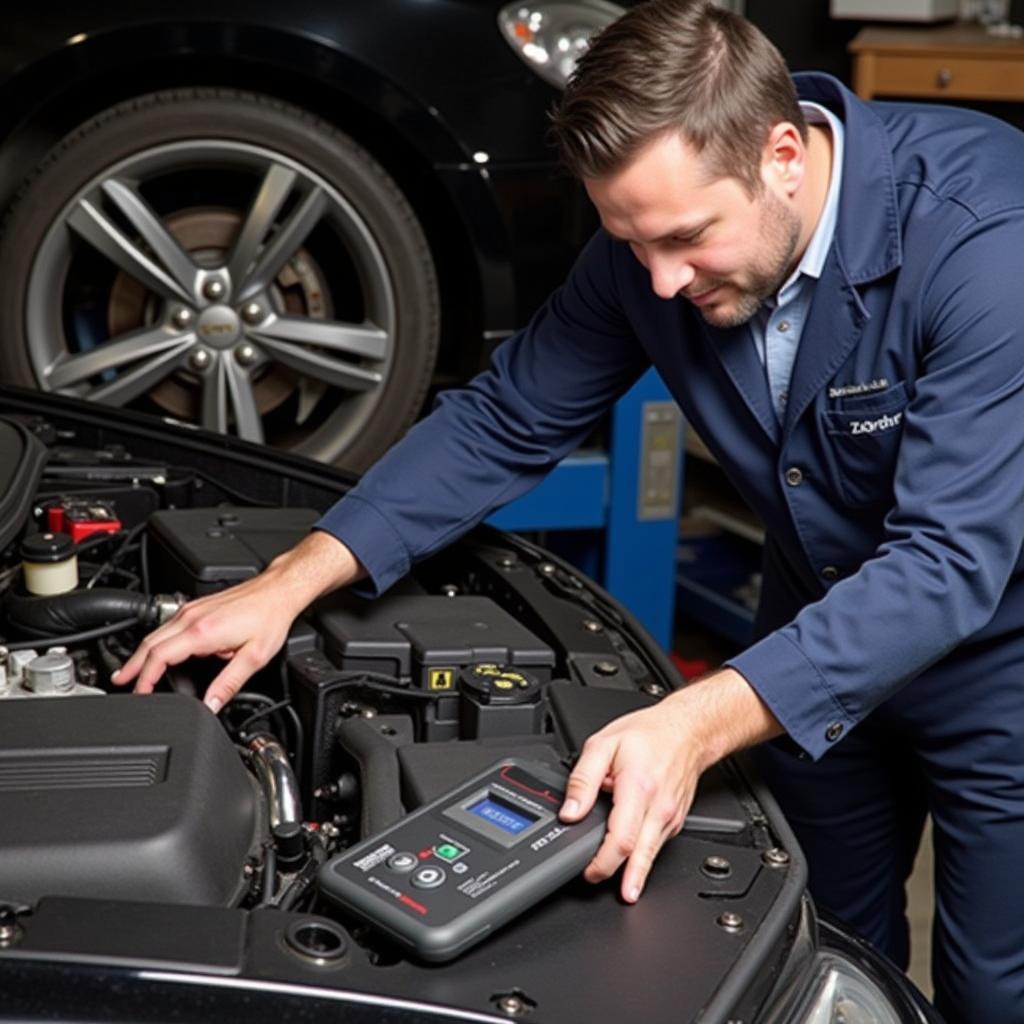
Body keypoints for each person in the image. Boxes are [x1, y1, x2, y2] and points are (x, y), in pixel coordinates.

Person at [114, 1, 1024, 1018]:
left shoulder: (985, 238)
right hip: (811, 629)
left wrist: (691, 719)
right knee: (824, 958)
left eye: (686, 239)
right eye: (632, 245)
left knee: (995, 983)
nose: (662, 283)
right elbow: (505, 416)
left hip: (998, 655)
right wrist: (295, 577)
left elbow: (946, 563)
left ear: (781, 154)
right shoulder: (651, 249)